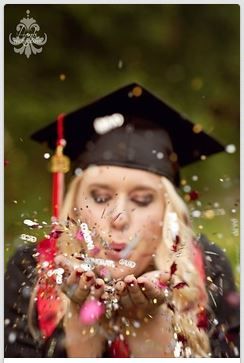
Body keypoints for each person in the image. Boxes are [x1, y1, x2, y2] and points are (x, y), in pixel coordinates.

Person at [4, 83, 240, 358]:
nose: (118, 218)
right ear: (76, 206)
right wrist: (82, 327)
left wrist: (150, 330)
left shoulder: (206, 270)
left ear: (168, 211)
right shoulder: (33, 268)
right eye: (101, 197)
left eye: (142, 200)